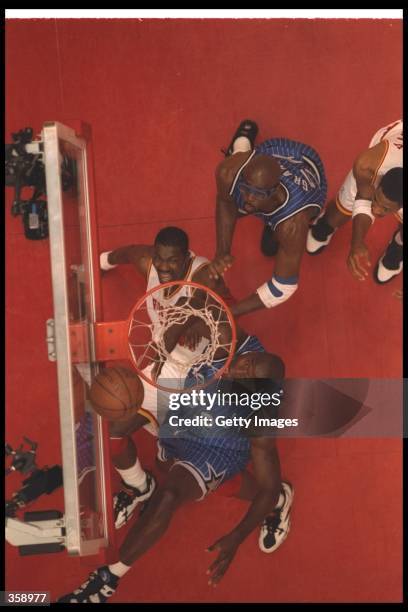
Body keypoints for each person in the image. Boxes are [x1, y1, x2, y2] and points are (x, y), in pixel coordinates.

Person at [58, 346, 294, 603]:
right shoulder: (240, 344)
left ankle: (107, 579)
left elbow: (266, 486)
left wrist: (237, 536)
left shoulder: (260, 424)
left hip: (217, 447)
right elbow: (208, 312)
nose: (239, 367)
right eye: (247, 362)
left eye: (246, 377)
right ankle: (139, 486)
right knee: (113, 430)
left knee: (171, 494)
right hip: (180, 405)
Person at [99, 226, 235, 529]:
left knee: (197, 462)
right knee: (115, 429)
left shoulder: (202, 278)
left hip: (197, 368)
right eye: (160, 258)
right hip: (164, 360)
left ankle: (272, 495)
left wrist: (206, 318)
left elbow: (232, 310)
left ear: (186, 258)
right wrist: (102, 261)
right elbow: (128, 251)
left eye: (172, 261)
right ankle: (139, 486)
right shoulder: (147, 262)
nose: (163, 267)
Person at [208, 119, 327, 317]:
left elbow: (283, 287)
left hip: (308, 163)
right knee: (236, 196)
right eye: (245, 189)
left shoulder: (293, 224)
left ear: (274, 191)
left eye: (257, 194)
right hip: (273, 150)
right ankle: (242, 144)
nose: (248, 199)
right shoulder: (229, 172)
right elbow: (224, 202)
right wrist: (222, 251)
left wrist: (231, 312)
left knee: (282, 232)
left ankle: (275, 225)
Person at [306, 120, 403, 284]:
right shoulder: (367, 165)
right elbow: (364, 194)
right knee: (343, 207)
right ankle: (326, 224)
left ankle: (397, 248)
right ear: (379, 181)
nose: (376, 210)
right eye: (377, 200)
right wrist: (357, 243)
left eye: (385, 209)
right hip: (382, 161)